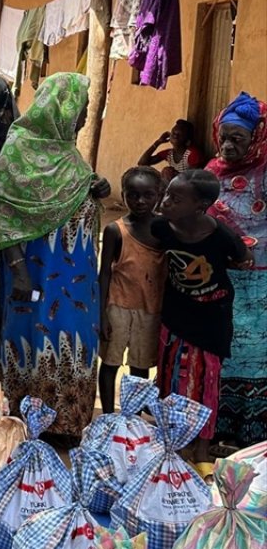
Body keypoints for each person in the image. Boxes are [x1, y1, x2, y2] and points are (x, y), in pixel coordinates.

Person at [0, 72, 111, 441]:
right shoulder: (19, 149)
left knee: (74, 340)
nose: (85, 116)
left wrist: (94, 186)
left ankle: (67, 422)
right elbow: (3, 211)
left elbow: (71, 195)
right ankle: (24, 421)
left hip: (76, 278)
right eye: (82, 108)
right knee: (32, 336)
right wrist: (18, 271)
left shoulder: (68, 154)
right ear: (62, 107)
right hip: (33, 272)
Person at [153, 170, 251, 473]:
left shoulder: (222, 236)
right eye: (167, 193)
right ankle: (171, 443)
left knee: (206, 381)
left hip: (211, 319)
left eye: (175, 198)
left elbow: (243, 257)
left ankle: (202, 449)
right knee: (170, 378)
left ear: (201, 206)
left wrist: (240, 262)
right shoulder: (162, 228)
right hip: (176, 314)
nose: (166, 201)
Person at [205, 92, 267, 447]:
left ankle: (251, 432)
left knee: (255, 354)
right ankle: (217, 428)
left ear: (256, 138)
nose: (227, 146)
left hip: (259, 283)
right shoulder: (213, 172)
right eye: (224, 137)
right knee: (222, 348)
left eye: (237, 139)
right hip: (221, 278)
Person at [97, 166, 165, 414]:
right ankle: (107, 416)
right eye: (133, 194)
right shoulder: (116, 230)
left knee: (140, 367)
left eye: (148, 195)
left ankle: (132, 419)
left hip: (150, 309)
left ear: (159, 194)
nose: (140, 201)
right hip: (118, 306)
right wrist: (102, 313)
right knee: (111, 363)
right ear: (123, 194)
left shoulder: (164, 230)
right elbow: (104, 272)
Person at [138, 119, 206, 181]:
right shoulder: (169, 153)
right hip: (174, 188)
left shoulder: (193, 154)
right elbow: (142, 163)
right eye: (173, 133)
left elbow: (192, 178)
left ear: (187, 141)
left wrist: (173, 174)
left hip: (188, 190)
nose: (175, 136)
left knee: (167, 172)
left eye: (179, 135)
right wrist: (158, 142)